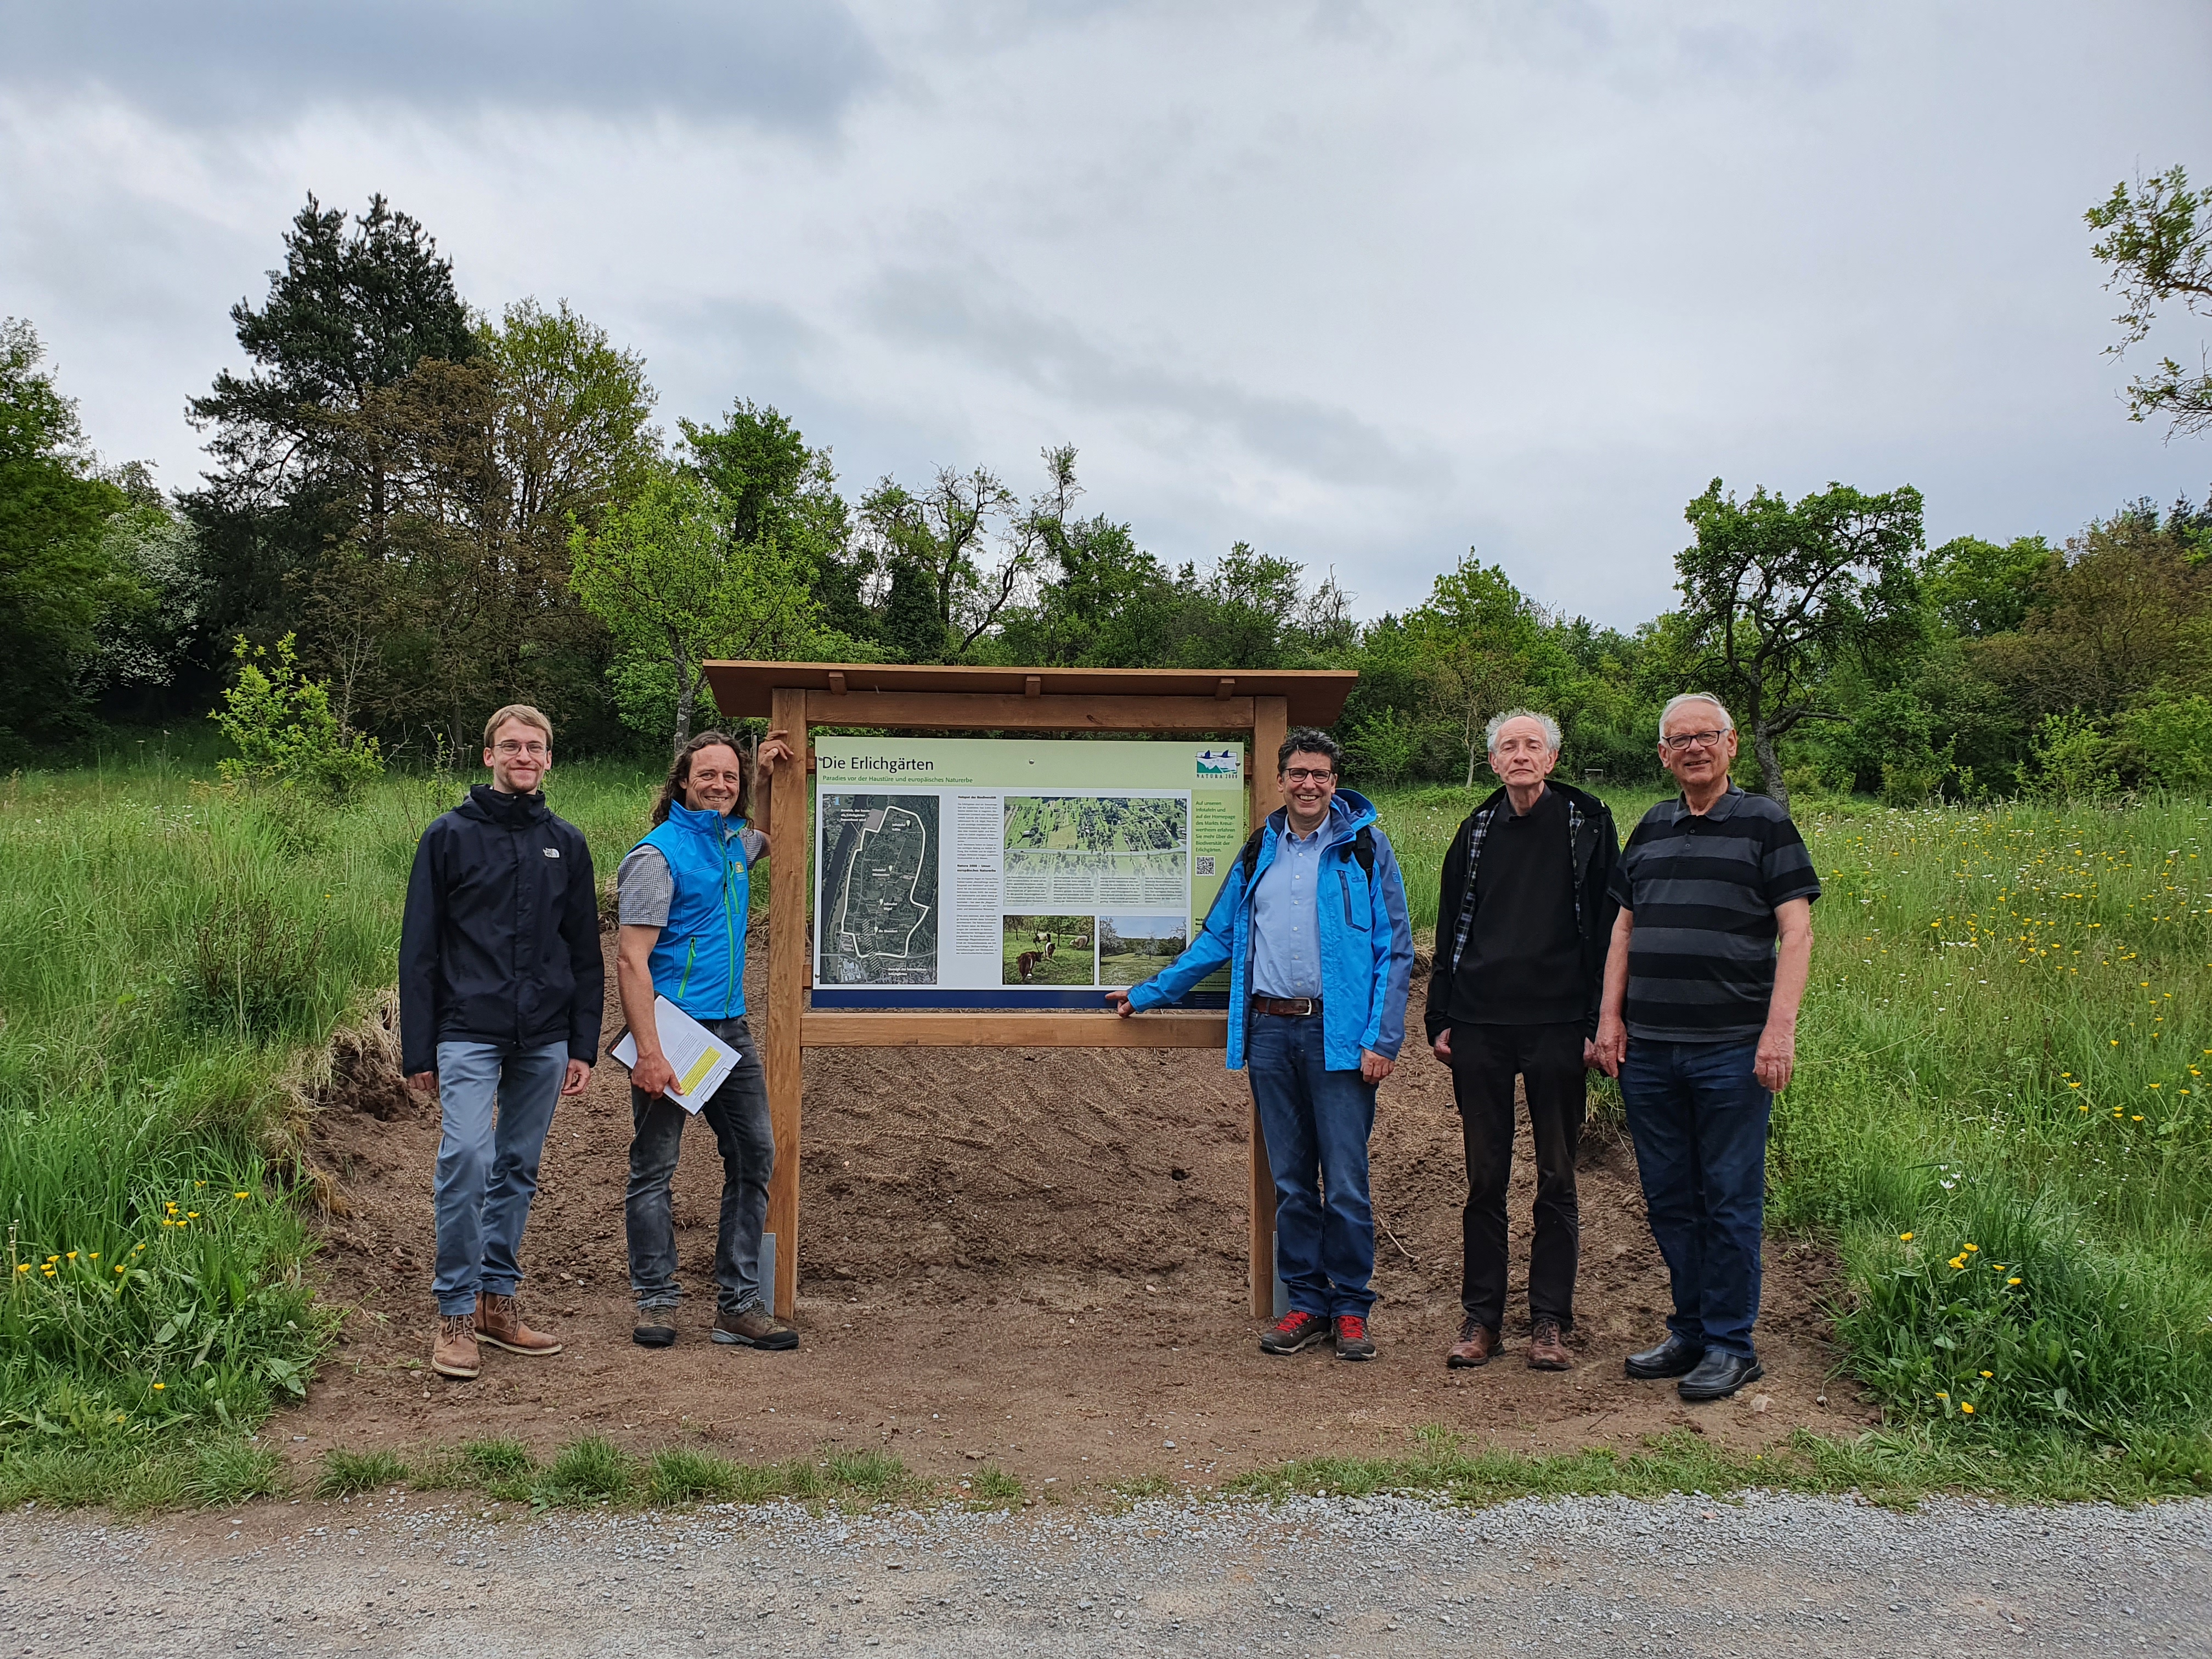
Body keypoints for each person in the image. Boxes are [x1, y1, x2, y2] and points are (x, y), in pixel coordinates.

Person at [1110, 729, 1413, 1361]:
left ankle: (1352, 1309)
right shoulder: (1259, 851)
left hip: (1340, 1037)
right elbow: (1218, 938)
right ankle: (1305, 1303)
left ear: (1336, 781)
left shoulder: (1365, 849)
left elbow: (1395, 949)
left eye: (1321, 775)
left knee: (1348, 1183)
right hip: (1272, 1035)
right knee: (1294, 1183)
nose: (1309, 784)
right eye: (1298, 773)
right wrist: (1149, 994)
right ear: (1280, 780)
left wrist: (1382, 1037)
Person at [1592, 693, 1819, 1401]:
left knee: (1728, 1197)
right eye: (1679, 739)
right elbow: (1623, 930)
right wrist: (1610, 1021)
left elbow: (1797, 932)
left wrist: (1777, 1032)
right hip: (1650, 1050)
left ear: (1730, 747)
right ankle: (1690, 1328)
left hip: (1730, 1050)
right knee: (1668, 1197)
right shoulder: (1651, 827)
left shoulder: (1765, 824)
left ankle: (1731, 1343)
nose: (1694, 748)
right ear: (1663, 755)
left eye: (1707, 736)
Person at [400, 704, 603, 1381]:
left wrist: (583, 1044)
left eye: (536, 747)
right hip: (466, 1031)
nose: (524, 755)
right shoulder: (448, 837)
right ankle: (454, 1312)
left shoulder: (567, 844)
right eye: (511, 745)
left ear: (549, 760)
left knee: (517, 1166)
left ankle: (497, 1302)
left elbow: (585, 953)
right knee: (465, 1156)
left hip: (543, 1036)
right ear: (488, 755)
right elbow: (420, 948)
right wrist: (419, 1049)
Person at [1425, 710, 1620, 1373]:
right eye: (1508, 747)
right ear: (1493, 762)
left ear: (1553, 759)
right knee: (1485, 1179)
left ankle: (1549, 1322)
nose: (1520, 755)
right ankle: (1481, 1320)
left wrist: (1601, 1021)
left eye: (1531, 745)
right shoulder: (1476, 831)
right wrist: (1439, 1017)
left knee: (1557, 1177)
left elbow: (1609, 927)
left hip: (1560, 1026)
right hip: (1480, 1024)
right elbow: (1450, 924)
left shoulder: (1586, 826)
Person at [618, 726, 796, 1350]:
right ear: (682, 782)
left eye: (731, 777)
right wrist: (650, 1052)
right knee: (655, 1168)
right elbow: (631, 960)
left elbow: (767, 837)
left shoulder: (731, 846)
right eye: (708, 776)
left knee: (754, 1158)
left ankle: (738, 1305)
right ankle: (657, 1301)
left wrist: (770, 778)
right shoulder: (657, 856)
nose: (719, 785)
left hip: (732, 1029)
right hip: (673, 1031)